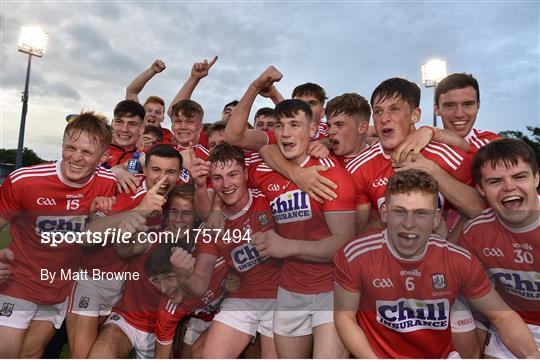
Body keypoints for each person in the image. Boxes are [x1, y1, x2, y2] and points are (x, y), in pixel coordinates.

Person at [333, 169, 540, 358]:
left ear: (436, 219)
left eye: (421, 213)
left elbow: (503, 318)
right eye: (399, 211)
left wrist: (532, 355)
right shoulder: (355, 255)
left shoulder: (458, 260)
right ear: (385, 213)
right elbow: (345, 319)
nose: (409, 223)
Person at [242, 92, 355, 356]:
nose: (285, 133)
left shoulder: (330, 175)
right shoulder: (267, 167)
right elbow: (250, 150)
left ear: (313, 129)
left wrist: (286, 245)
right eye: (279, 125)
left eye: (295, 125)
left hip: (332, 289)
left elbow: (343, 243)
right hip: (290, 289)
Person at [0, 112, 117, 358]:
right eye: (70, 148)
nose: (75, 158)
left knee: (32, 353)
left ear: (104, 156)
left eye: (87, 152)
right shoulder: (25, 181)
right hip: (18, 282)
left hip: (59, 290)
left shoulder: (107, 183)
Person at [171, 143, 281, 358]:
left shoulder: (267, 198)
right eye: (218, 177)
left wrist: (216, 206)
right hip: (242, 298)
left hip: (281, 297)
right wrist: (183, 276)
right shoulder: (211, 229)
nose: (226, 184)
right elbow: (199, 285)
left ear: (246, 174)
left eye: (233, 174)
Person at [346, 77, 481, 235]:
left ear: (415, 115)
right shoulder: (358, 167)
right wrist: (391, 219)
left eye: (394, 109)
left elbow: (481, 212)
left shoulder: (446, 155)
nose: (384, 118)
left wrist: (433, 171)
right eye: (378, 111)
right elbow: (358, 232)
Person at [86, 144, 182, 358]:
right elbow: (88, 236)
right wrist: (139, 210)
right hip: (127, 311)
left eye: (171, 172)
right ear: (145, 170)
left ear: (179, 175)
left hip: (169, 319)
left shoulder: (185, 199)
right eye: (156, 170)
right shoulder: (125, 193)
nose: (163, 178)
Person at [459, 138, 540, 358]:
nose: (509, 187)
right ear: (481, 189)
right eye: (495, 181)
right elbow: (498, 316)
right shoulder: (475, 233)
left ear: (536, 178)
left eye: (519, 176)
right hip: (514, 323)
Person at [125, 59, 174, 143]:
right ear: (142, 114)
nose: (153, 114)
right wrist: (152, 70)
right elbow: (131, 91)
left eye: (158, 112)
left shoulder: (169, 137)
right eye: (149, 111)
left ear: (162, 118)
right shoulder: (132, 130)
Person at [326, 92, 371, 167]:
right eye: (329, 125)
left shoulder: (387, 161)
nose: (330, 131)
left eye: (339, 125)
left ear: (362, 128)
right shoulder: (322, 157)